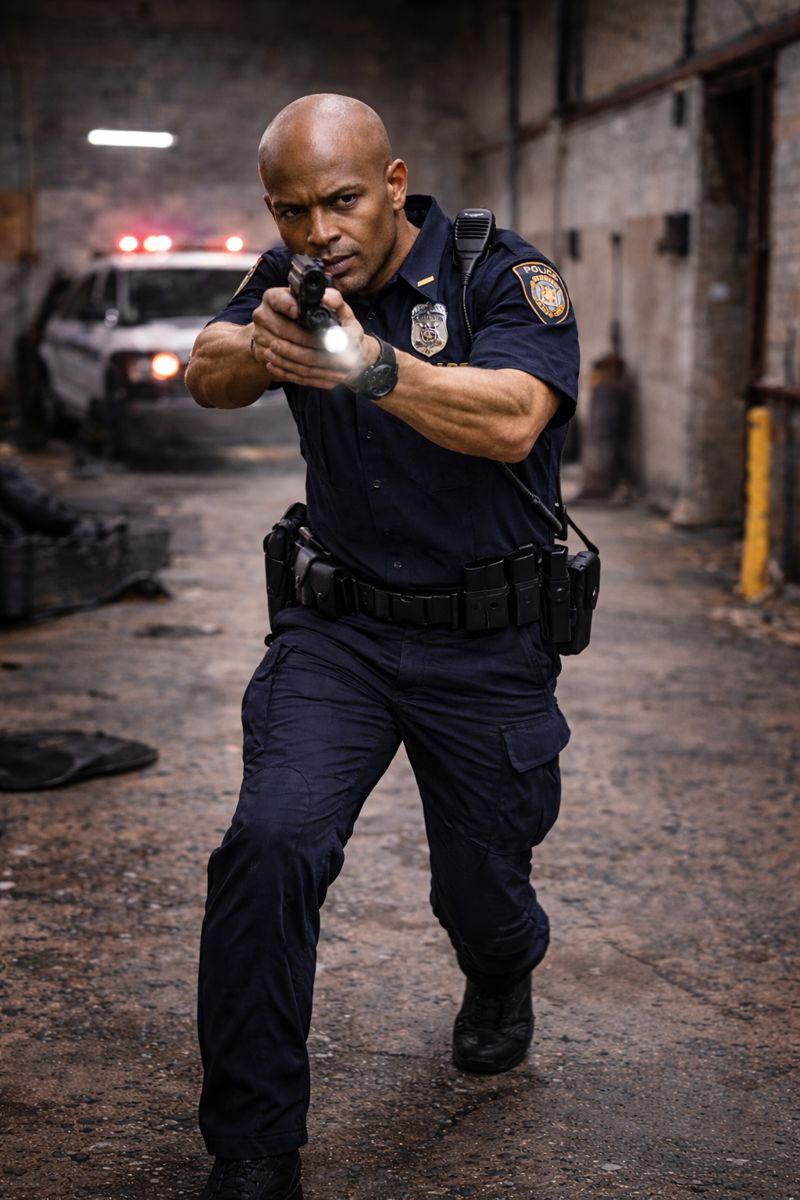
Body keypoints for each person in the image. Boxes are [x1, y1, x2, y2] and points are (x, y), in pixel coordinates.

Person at [185, 93, 579, 1200]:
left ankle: (501, 971)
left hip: (486, 641)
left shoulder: (498, 274)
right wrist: (260, 346)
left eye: (343, 201)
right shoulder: (292, 277)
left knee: (480, 895)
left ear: (394, 185)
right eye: (292, 210)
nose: (320, 232)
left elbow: (513, 417)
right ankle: (253, 1145)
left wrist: (371, 369)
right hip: (339, 633)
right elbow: (205, 369)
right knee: (270, 844)